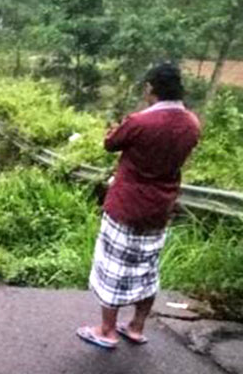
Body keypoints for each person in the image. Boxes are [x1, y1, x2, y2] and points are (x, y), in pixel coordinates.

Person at [76, 63, 201, 350]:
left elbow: (110, 143)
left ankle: (106, 330)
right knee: (147, 268)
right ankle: (136, 326)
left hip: (127, 204)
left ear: (151, 88)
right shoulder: (192, 123)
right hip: (161, 207)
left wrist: (114, 128)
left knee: (114, 268)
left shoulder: (140, 122)